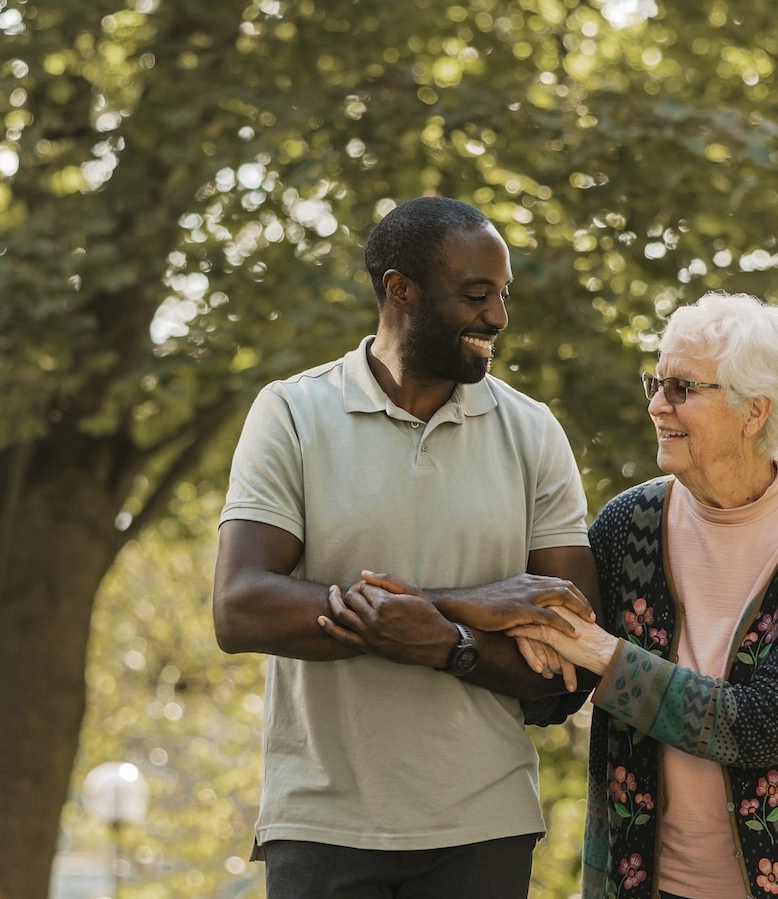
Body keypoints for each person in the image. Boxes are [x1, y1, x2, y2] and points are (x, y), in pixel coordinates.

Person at [211, 195, 600, 899]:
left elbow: (573, 662)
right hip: (321, 823)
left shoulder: (534, 433)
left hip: (483, 824)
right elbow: (241, 608)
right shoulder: (293, 413)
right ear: (401, 289)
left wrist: (447, 642)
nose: (499, 318)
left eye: (503, 296)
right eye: (477, 295)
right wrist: (467, 606)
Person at [518, 292, 778, 899]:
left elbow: (772, 724)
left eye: (682, 389)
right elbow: (559, 683)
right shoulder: (628, 523)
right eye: (656, 381)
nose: (656, 405)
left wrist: (603, 654)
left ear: (754, 411)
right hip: (644, 879)